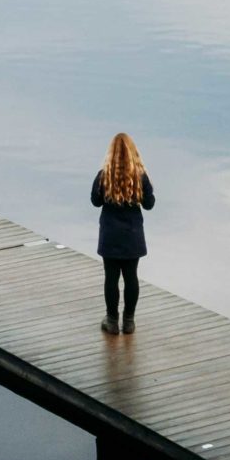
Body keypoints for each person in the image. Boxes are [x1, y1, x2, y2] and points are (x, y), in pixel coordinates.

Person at [90, 131, 154, 335]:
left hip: (110, 235)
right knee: (131, 277)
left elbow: (95, 201)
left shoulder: (104, 175)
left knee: (111, 278)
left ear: (111, 154)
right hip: (132, 235)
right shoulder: (140, 176)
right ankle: (129, 321)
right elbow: (150, 204)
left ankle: (111, 320)